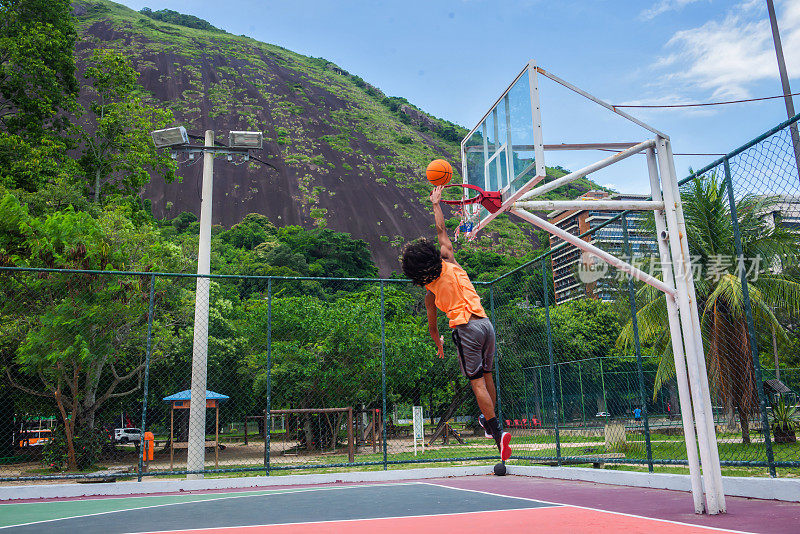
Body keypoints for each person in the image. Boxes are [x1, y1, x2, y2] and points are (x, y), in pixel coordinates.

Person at [400, 185, 511, 461]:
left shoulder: (430, 291)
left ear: (415, 273)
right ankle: (490, 424)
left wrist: (438, 343)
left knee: (476, 384)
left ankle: (498, 434)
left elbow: (433, 325)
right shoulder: (450, 260)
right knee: (487, 376)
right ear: (433, 255)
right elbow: (441, 231)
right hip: (486, 324)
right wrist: (436, 203)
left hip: (465, 328)